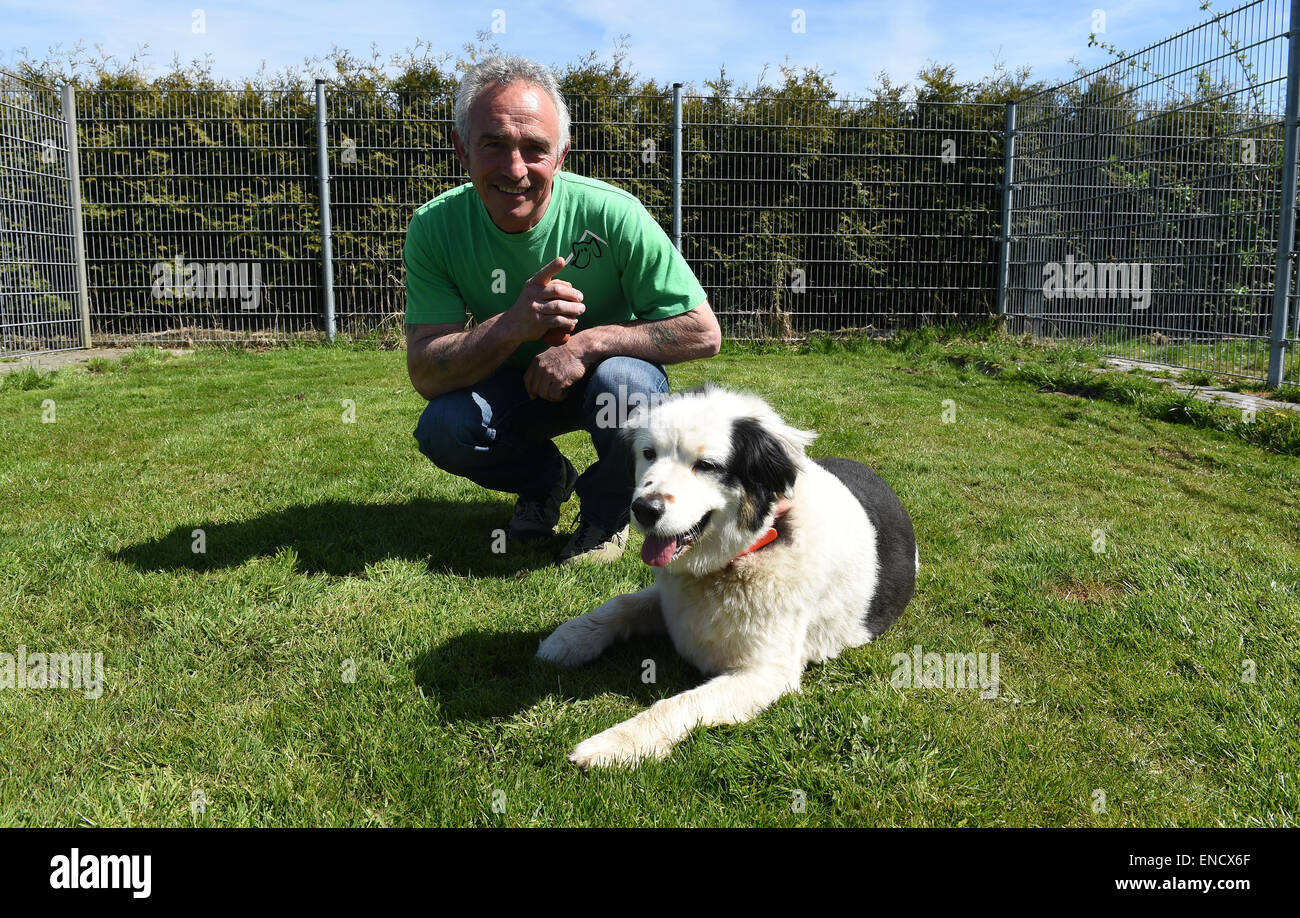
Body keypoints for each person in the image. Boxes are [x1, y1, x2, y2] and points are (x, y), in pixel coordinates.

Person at [404, 55, 721, 563]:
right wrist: (512, 325)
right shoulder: (434, 226)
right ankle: (548, 480)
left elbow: (703, 332)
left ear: (562, 154)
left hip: (608, 381)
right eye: (494, 144)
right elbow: (425, 371)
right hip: (514, 390)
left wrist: (586, 345)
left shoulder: (614, 213)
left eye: (535, 149)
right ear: (462, 149)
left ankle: (606, 512)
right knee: (444, 428)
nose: (515, 169)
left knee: (626, 385)